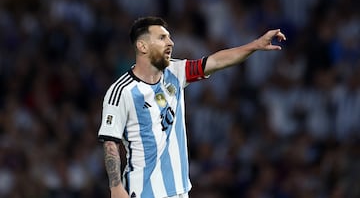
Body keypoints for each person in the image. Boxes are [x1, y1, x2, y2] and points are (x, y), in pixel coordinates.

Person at [98, 16, 286, 198]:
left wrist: (255, 45)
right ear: (142, 46)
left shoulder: (175, 71)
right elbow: (110, 142)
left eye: (170, 37)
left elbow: (216, 61)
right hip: (144, 192)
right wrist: (116, 188)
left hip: (180, 190)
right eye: (162, 37)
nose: (171, 42)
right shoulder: (122, 92)